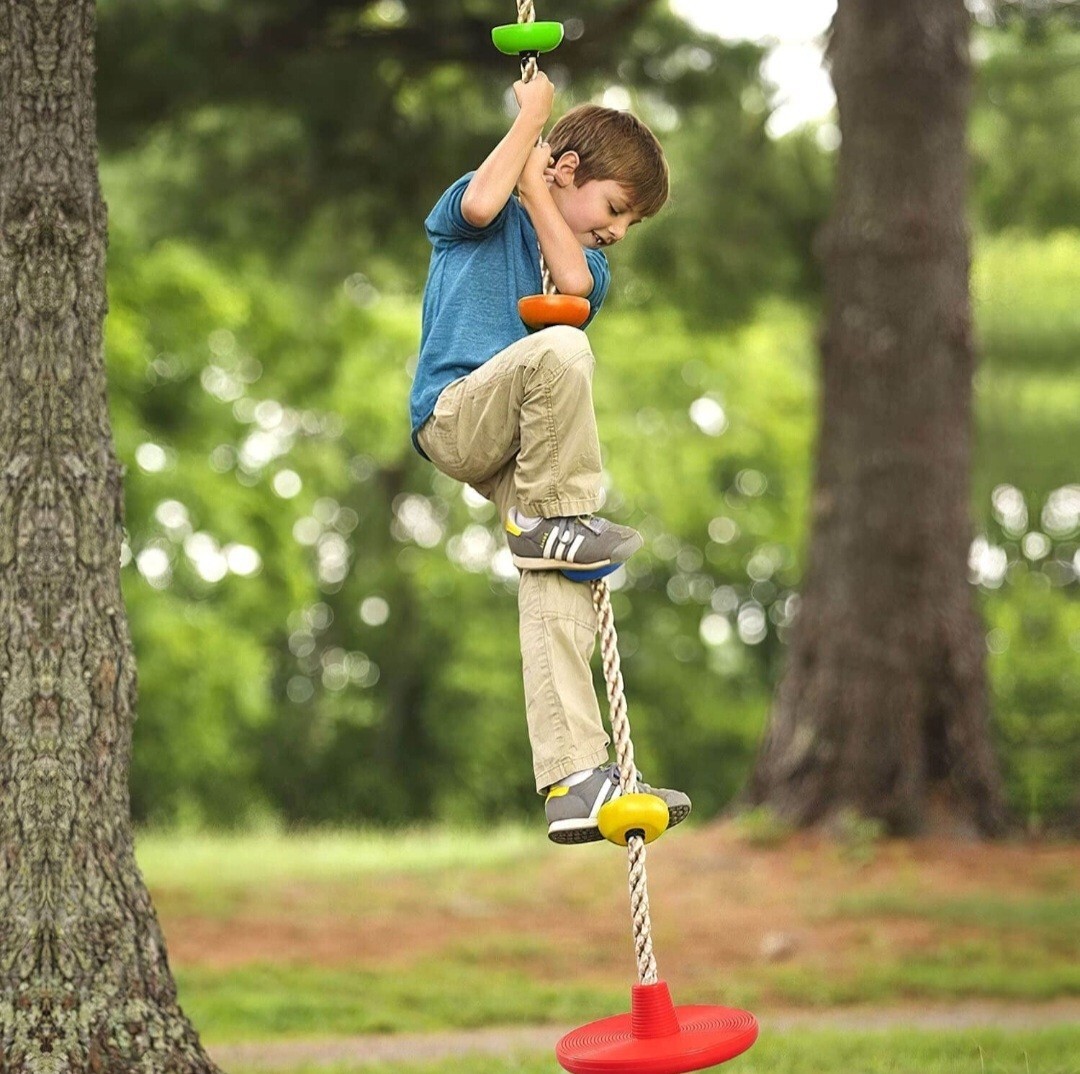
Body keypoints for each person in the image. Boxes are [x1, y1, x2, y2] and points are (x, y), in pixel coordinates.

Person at [410, 72, 690, 843]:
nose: (619, 233)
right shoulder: (485, 208)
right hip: (456, 414)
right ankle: (548, 518)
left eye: (629, 223)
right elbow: (475, 205)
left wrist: (548, 199)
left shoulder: (583, 264)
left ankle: (574, 779)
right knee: (562, 349)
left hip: (514, 445)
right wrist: (531, 124)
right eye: (614, 209)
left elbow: (570, 280)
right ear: (566, 169)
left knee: (559, 577)